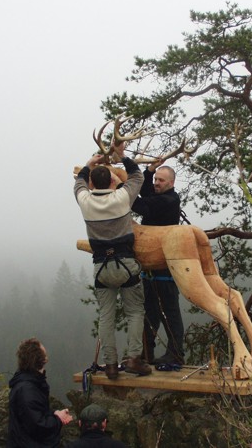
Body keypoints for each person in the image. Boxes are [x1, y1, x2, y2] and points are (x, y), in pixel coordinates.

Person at [74, 141, 151, 380]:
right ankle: (135, 359)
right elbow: (137, 177)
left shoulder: (85, 202)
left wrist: (89, 165)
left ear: (92, 183)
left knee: (106, 316)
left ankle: (110, 365)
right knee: (135, 311)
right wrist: (123, 156)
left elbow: (78, 184)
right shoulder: (121, 198)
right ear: (110, 182)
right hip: (126, 264)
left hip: (101, 268)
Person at [132, 161, 185, 365]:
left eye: (160, 180)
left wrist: (121, 191)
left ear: (171, 182)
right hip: (150, 268)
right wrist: (148, 171)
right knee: (150, 312)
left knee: (169, 311)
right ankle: (147, 352)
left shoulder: (170, 200)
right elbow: (146, 193)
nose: (156, 183)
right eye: (155, 179)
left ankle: (175, 354)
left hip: (165, 266)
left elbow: (142, 205)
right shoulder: (159, 195)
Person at [7, 337, 73, 448]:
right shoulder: (27, 389)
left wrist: (54, 413)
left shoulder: (29, 383)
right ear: (40, 359)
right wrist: (58, 419)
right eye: (44, 353)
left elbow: (35, 413)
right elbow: (38, 426)